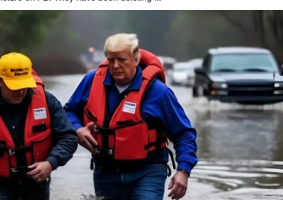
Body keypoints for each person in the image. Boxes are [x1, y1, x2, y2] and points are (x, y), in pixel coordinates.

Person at [64, 33, 198, 200]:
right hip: (105, 172)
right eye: (110, 60)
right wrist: (78, 129)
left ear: (136, 59)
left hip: (148, 171)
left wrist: (183, 171)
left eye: (122, 59)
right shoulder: (92, 81)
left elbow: (184, 134)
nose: (115, 65)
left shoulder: (159, 92)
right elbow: (68, 111)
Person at [0, 52, 78, 200]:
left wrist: (50, 163)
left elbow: (68, 137)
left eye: (24, 85)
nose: (20, 91)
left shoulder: (47, 101)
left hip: (36, 180)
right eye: (14, 86)